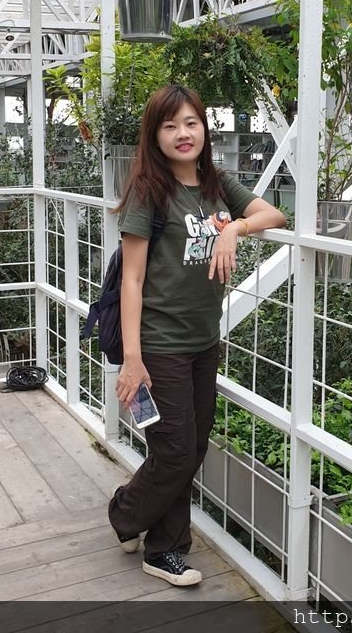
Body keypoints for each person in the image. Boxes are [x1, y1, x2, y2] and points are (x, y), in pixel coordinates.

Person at [106, 85, 286, 587]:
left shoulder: (215, 182)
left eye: (191, 123)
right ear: (155, 135)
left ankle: (128, 512)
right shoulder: (148, 189)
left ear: (204, 128)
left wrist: (234, 230)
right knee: (176, 450)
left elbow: (274, 215)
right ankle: (159, 545)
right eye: (169, 125)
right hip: (159, 346)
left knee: (192, 447)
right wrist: (134, 359)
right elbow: (133, 279)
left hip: (205, 341)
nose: (182, 134)